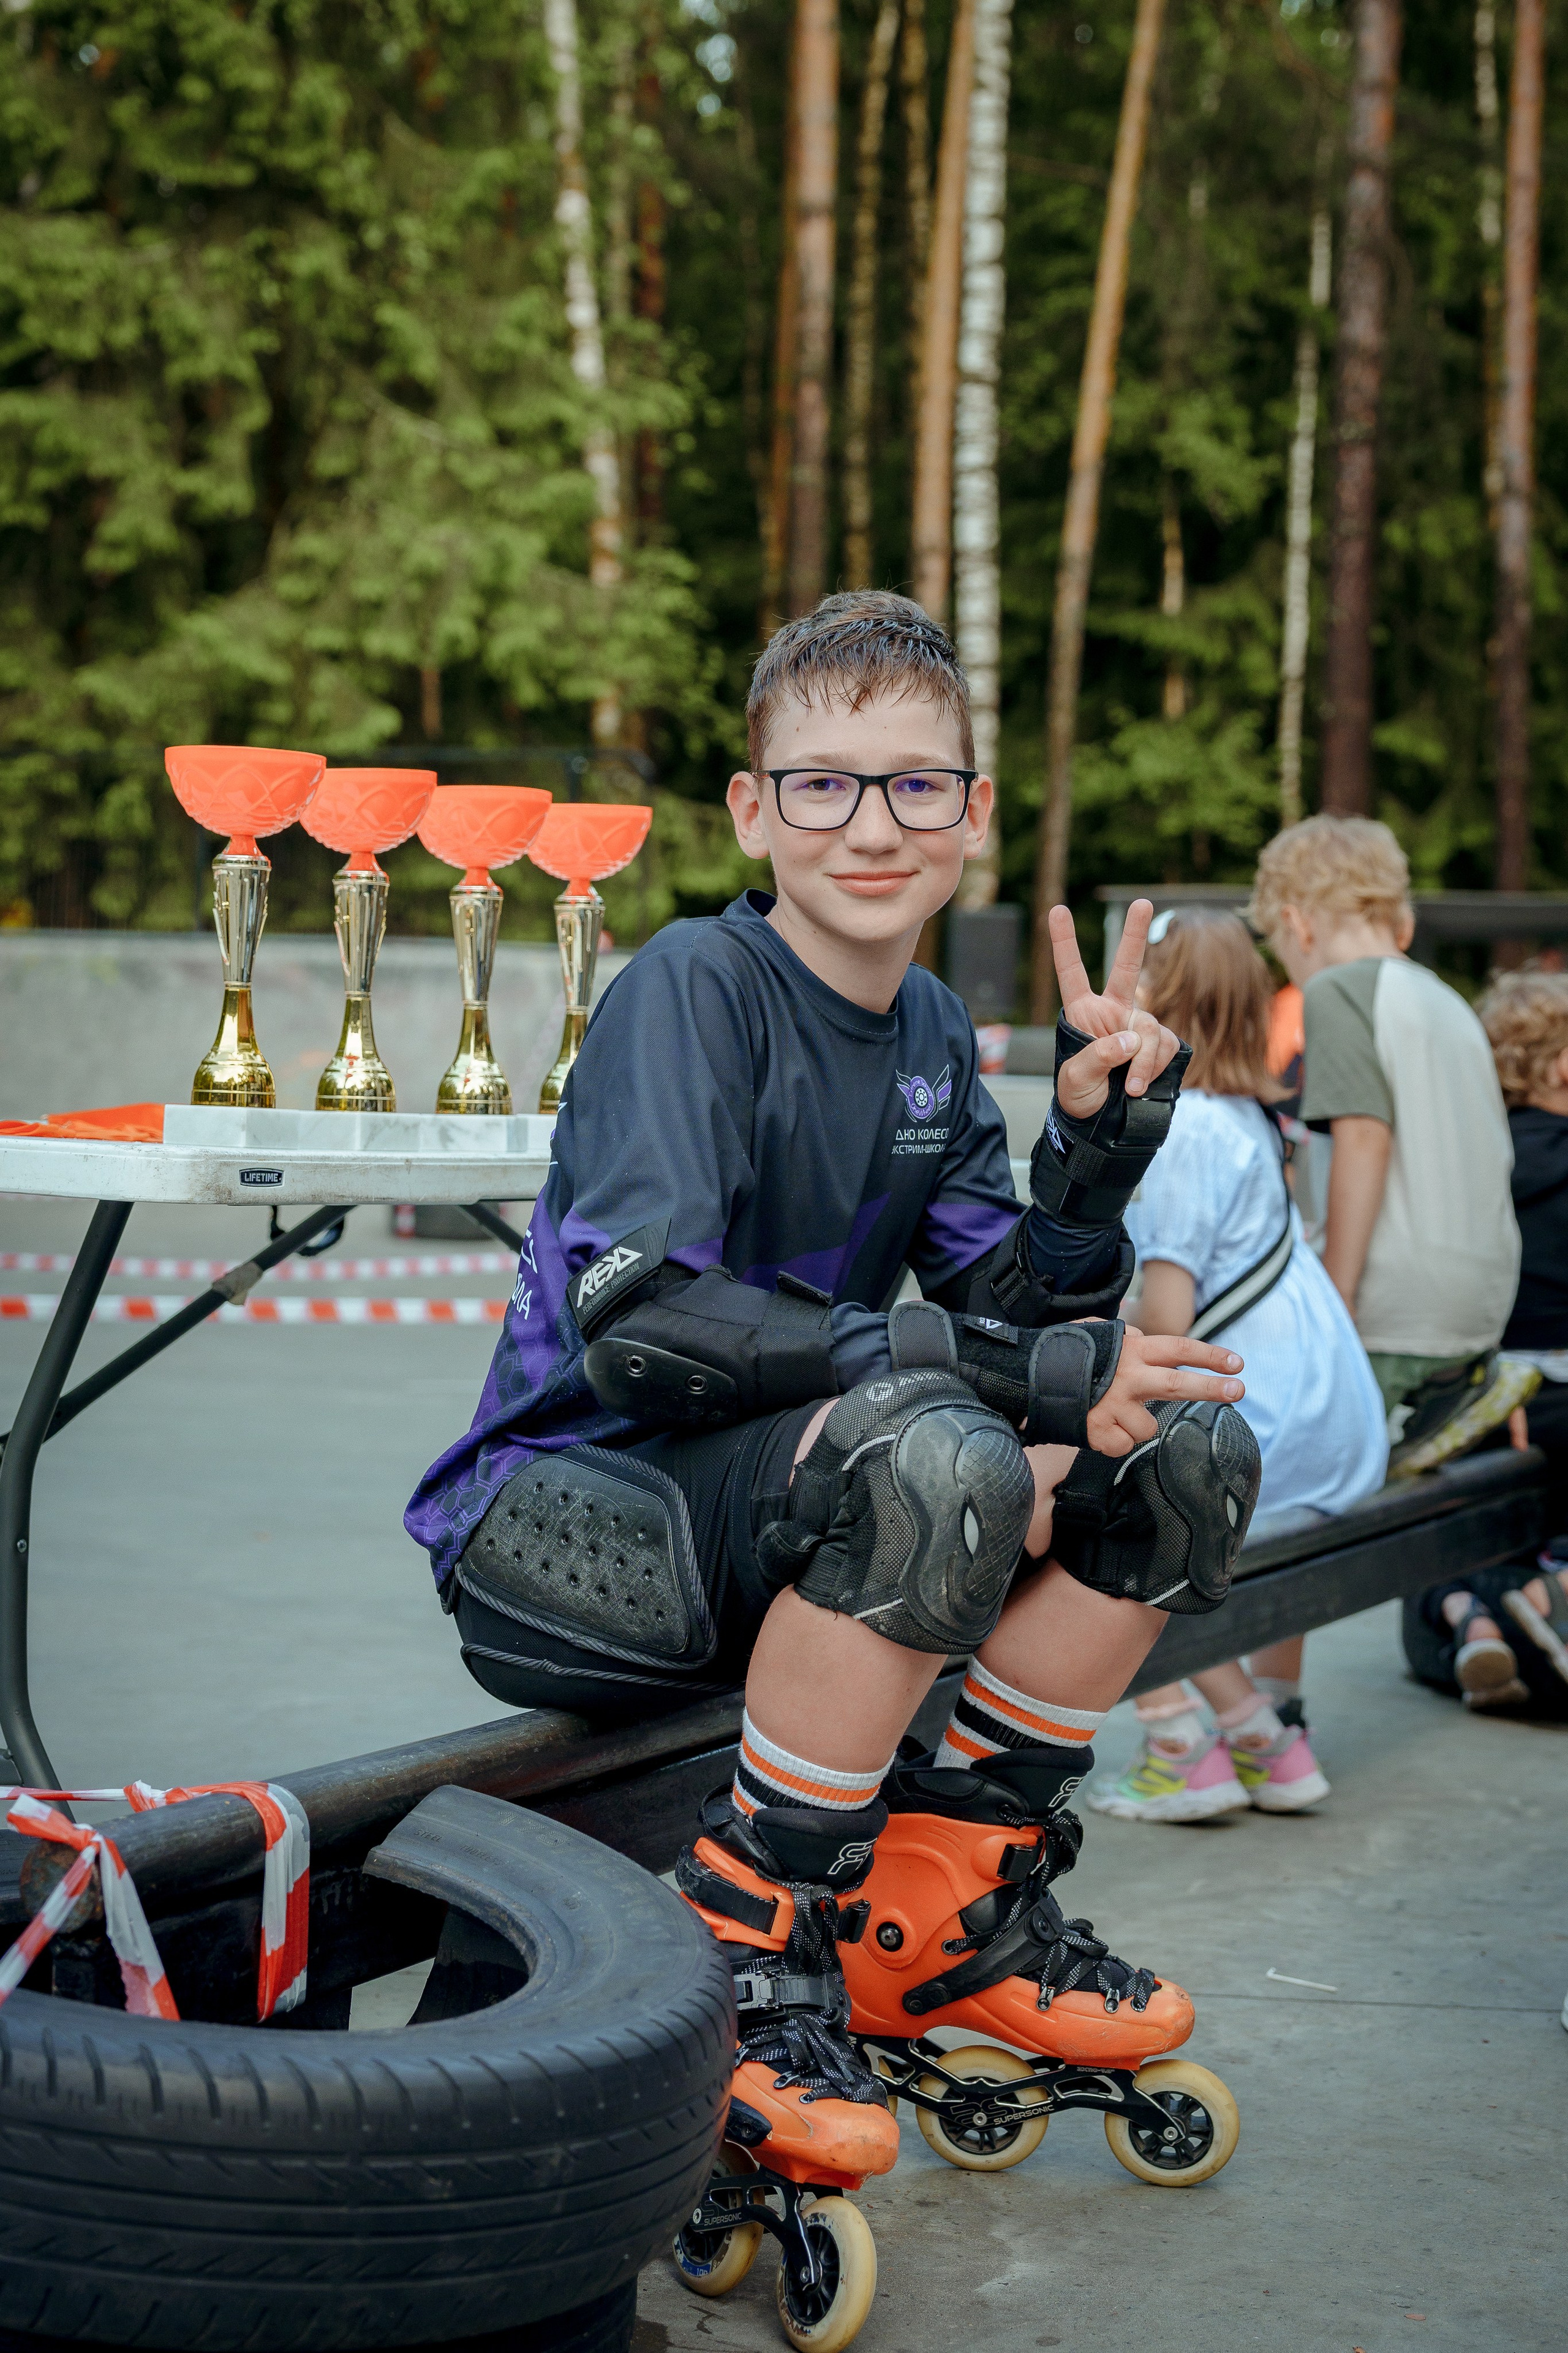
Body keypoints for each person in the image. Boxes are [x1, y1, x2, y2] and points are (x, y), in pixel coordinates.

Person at [406, 592, 1260, 2211]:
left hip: (791, 1512)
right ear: (753, 809)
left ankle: (943, 1898)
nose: (871, 825)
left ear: (972, 814)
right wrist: (991, 1375)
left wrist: (1092, 1154)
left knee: (1180, 1454)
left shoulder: (929, 1027)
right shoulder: (691, 986)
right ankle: (748, 1942)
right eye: (823, 783)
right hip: (567, 1526)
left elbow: (1020, 1311)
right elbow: (642, 1329)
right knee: (934, 1452)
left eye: (915, 784)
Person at [1087, 912, 1387, 1824]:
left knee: (1087, 1505)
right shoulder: (1255, 1117)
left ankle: (1192, 1739)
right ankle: (1265, 1738)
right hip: (1336, 1424)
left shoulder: (1183, 1131)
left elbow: (1168, 1330)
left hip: (1272, 1433)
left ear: (1164, 1000)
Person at [1249, 815, 1521, 1467]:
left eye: (1280, 949)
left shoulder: (1339, 990)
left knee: (1304, 1472)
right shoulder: (1447, 1001)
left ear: (1298, 922)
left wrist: (1336, 1296)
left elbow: (1364, 1139)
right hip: (1480, 1301)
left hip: (1395, 1308)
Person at [1402, 969, 1568, 1710]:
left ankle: (1467, 1615)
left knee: (1445, 1553)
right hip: (1558, 1397)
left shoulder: (1472, 1163)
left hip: (1485, 1398)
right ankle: (1541, 1593)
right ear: (1561, 1066)